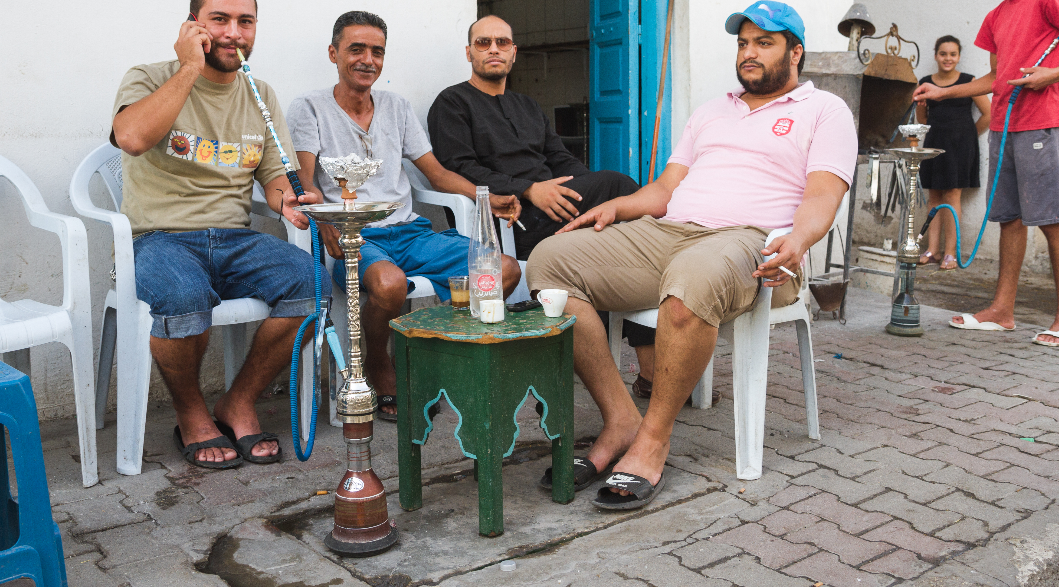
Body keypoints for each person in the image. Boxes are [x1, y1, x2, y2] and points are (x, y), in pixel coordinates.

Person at [525, 1, 856, 509]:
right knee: (550, 263)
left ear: (796, 52)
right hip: (671, 231)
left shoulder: (825, 111)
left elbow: (823, 197)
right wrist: (617, 205)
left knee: (689, 284)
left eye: (763, 43)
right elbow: (665, 189)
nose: (748, 53)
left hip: (758, 242)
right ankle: (620, 420)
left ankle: (653, 440)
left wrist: (799, 239)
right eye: (743, 43)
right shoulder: (711, 110)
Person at [111, 0, 329, 468]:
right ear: (193, 25)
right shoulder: (149, 76)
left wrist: (285, 199)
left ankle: (239, 401)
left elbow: (274, 177)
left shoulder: (260, 93)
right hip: (160, 237)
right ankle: (192, 414)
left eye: (245, 22)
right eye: (220, 20)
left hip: (235, 238)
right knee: (182, 293)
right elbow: (130, 137)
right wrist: (191, 65)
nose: (234, 33)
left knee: (313, 282)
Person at [286, 11, 522, 420]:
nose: (368, 60)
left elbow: (436, 173)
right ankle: (380, 366)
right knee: (390, 285)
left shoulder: (396, 106)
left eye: (377, 51)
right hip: (358, 237)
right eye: (356, 49)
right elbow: (304, 184)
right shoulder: (309, 107)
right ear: (333, 53)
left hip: (410, 232)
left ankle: (437, 363)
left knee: (503, 269)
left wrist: (487, 195)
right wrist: (325, 222)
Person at [427, 14, 667, 402]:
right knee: (621, 187)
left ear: (514, 52)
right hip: (509, 218)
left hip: (555, 212)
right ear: (469, 52)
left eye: (502, 43)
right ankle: (647, 372)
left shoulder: (527, 105)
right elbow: (460, 168)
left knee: (626, 242)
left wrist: (580, 193)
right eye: (484, 42)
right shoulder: (451, 103)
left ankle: (650, 374)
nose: (494, 49)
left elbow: (561, 159)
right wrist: (530, 189)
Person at [914, 0, 1059, 346]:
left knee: (1051, 219)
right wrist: (943, 93)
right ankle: (1001, 311)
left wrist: (1053, 74)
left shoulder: (1048, 2)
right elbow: (996, 78)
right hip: (1003, 126)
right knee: (1009, 218)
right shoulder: (995, 16)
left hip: (1040, 123)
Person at [915, 35, 992, 271]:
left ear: (958, 56)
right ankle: (932, 249)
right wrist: (920, 107)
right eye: (943, 54)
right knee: (934, 196)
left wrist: (969, 135)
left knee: (952, 195)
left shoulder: (970, 82)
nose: (948, 58)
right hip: (934, 142)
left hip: (960, 146)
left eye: (953, 54)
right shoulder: (926, 81)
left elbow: (990, 113)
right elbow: (923, 120)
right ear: (936, 55)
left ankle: (951, 253)